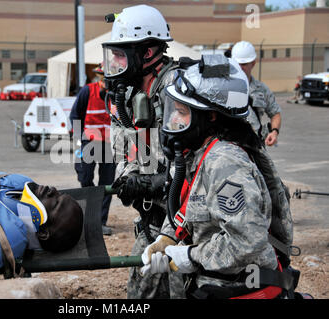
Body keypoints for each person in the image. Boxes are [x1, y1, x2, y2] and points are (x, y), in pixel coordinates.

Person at [140, 55, 297, 299]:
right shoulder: (199, 153)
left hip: (239, 288)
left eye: (181, 112)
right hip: (214, 285)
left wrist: (191, 256)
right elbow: (188, 203)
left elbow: (246, 241)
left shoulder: (224, 162)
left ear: (211, 116)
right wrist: (167, 239)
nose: (172, 120)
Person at [101, 4, 185, 298]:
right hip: (153, 220)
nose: (113, 62)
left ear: (147, 53)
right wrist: (129, 178)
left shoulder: (180, 92)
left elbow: (198, 168)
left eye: (121, 54)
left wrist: (160, 182)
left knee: (182, 291)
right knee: (139, 293)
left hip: (188, 224)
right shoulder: (131, 95)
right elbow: (125, 149)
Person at [69, 64, 116, 236]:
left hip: (109, 145)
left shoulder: (117, 95)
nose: (106, 80)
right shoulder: (87, 91)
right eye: (103, 76)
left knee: (108, 183)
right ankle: (88, 216)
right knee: (85, 177)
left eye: (109, 77)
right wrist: (81, 137)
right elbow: (75, 115)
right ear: (98, 77)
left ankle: (99, 222)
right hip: (89, 142)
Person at [231, 41, 282, 147]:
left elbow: (275, 113)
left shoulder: (261, 90)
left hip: (254, 145)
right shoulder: (223, 87)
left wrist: (274, 132)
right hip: (230, 146)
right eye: (237, 64)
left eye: (244, 64)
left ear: (253, 63)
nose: (240, 68)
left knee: (268, 164)